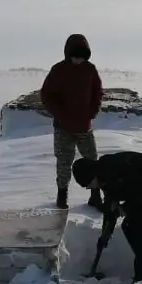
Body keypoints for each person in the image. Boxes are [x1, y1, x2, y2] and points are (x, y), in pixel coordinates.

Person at [72, 151, 142, 283]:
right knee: (130, 226)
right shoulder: (105, 176)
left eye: (87, 184)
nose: (88, 187)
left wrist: (126, 208)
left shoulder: (115, 169)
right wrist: (105, 233)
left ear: (92, 175)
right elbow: (110, 208)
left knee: (137, 227)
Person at [40, 33, 104, 211]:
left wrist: (92, 112)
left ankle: (95, 196)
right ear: (68, 54)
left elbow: (98, 92)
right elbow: (46, 95)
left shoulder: (90, 70)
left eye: (81, 56)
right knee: (63, 162)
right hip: (63, 128)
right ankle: (62, 196)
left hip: (84, 127)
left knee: (92, 161)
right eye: (75, 56)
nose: (78, 60)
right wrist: (60, 114)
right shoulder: (58, 70)